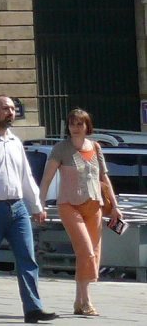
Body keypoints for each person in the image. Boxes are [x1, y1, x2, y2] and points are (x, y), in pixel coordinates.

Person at [0, 94, 53, 323]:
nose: (10, 112)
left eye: (13, 109)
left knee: (27, 257)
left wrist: (36, 205)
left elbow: (26, 177)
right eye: (5, 108)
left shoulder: (16, 142)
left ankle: (33, 308)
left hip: (18, 208)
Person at [40, 108, 120, 318]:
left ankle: (78, 300)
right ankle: (87, 302)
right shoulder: (60, 149)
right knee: (86, 251)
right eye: (72, 124)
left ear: (87, 127)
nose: (75, 128)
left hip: (95, 205)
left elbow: (104, 178)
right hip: (69, 205)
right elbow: (47, 179)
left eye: (79, 124)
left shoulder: (95, 147)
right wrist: (40, 203)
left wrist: (115, 205)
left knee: (91, 253)